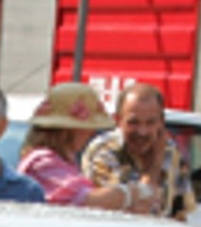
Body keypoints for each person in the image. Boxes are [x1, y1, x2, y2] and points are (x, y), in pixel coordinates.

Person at [15, 81, 142, 211]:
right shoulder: (43, 163)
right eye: (85, 127)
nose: (91, 132)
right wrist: (133, 192)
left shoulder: (61, 161)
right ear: (67, 130)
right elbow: (88, 200)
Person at [81, 83, 191, 220]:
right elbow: (131, 215)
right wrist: (154, 167)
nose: (142, 132)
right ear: (118, 120)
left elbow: (181, 213)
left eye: (150, 123)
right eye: (134, 123)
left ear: (161, 122)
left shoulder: (171, 152)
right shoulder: (104, 152)